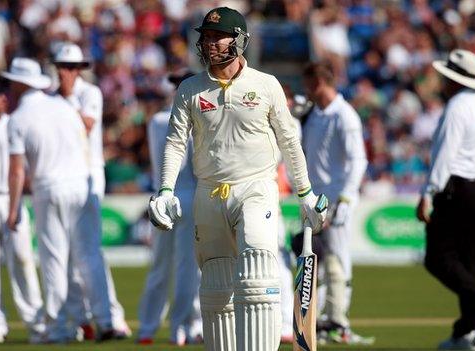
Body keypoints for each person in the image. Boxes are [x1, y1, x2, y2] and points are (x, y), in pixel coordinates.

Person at [147, 7, 328, 351]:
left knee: (258, 274)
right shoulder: (190, 89)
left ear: (239, 40)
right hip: (208, 192)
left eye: (217, 37)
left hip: (256, 187)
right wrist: (165, 189)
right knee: (215, 288)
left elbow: (289, 140)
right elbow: (174, 142)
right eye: (206, 37)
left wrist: (305, 192)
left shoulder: (266, 85)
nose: (209, 43)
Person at [2, 57, 116, 343]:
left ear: (19, 83)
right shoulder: (64, 107)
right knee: (89, 256)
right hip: (80, 184)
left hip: (48, 188)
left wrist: (14, 208)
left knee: (53, 259)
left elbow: (17, 171)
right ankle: (105, 320)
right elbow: (83, 142)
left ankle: (57, 328)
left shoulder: (16, 119)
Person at [416, 49, 475, 350]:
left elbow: (445, 153)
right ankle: (466, 333)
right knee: (472, 261)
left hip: (459, 187)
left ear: (453, 78)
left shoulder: (457, 106)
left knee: (437, 257)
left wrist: (428, 193)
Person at [52, 42, 131, 341]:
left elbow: (84, 126)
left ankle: (110, 318)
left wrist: (65, 97)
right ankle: (82, 317)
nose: (65, 73)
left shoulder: (88, 94)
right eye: (62, 67)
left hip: (87, 176)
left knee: (88, 252)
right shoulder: (53, 96)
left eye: (71, 68)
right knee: (68, 254)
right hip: (63, 176)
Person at [300, 61, 374, 346]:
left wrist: (345, 197)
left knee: (338, 260)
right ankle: (317, 321)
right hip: (313, 198)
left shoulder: (345, 115)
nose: (306, 91)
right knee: (313, 260)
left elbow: (359, 160)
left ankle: (339, 322)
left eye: (308, 85)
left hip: (336, 197)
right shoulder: (315, 115)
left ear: (318, 82)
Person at [0, 77, 45, 344]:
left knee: (23, 260)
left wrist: (14, 204)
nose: (3, 98)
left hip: (9, 197)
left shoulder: (11, 123)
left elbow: (20, 169)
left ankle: (37, 325)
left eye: (3, 93)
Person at [138, 70, 203, 346]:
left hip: (162, 196)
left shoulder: (158, 120)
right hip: (186, 196)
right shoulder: (194, 120)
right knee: (187, 267)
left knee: (162, 266)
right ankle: (182, 327)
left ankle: (148, 328)